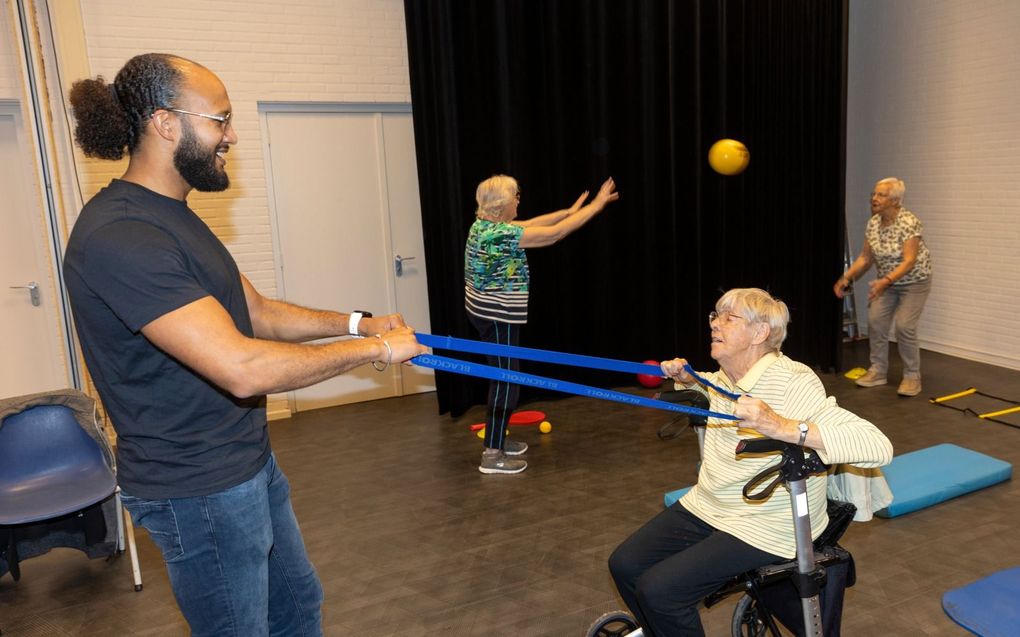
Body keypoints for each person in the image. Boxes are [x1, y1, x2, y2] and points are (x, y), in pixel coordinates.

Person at [63, 53, 427, 636]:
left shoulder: (174, 214)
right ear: (164, 123)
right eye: (220, 119)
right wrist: (378, 354)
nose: (231, 135)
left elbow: (254, 312)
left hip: (245, 461)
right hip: (197, 488)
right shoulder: (121, 236)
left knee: (297, 607)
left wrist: (359, 324)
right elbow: (241, 367)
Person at [608, 288, 892, 636]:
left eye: (729, 317)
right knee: (624, 564)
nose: (715, 324)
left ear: (760, 333)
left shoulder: (794, 381)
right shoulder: (726, 379)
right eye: (715, 315)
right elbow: (713, 388)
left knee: (661, 591)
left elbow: (877, 445)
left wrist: (781, 425)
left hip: (767, 522)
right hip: (712, 504)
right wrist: (687, 377)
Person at [464, 175, 619, 474]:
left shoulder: (486, 225)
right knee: (506, 381)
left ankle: (497, 439)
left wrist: (570, 211)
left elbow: (536, 223)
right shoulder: (496, 234)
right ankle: (492, 455)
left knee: (506, 378)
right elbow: (553, 235)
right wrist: (597, 205)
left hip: (488, 312)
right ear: (501, 204)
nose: (519, 200)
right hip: (497, 316)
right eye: (516, 196)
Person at [834, 177, 932, 397]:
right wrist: (845, 278)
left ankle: (912, 376)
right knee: (876, 322)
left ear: (896, 200)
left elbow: (909, 261)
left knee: (905, 326)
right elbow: (865, 257)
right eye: (874, 194)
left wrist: (884, 281)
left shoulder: (909, 222)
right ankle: (878, 371)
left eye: (881, 195)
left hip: (914, 282)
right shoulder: (873, 223)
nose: (874, 199)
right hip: (886, 283)